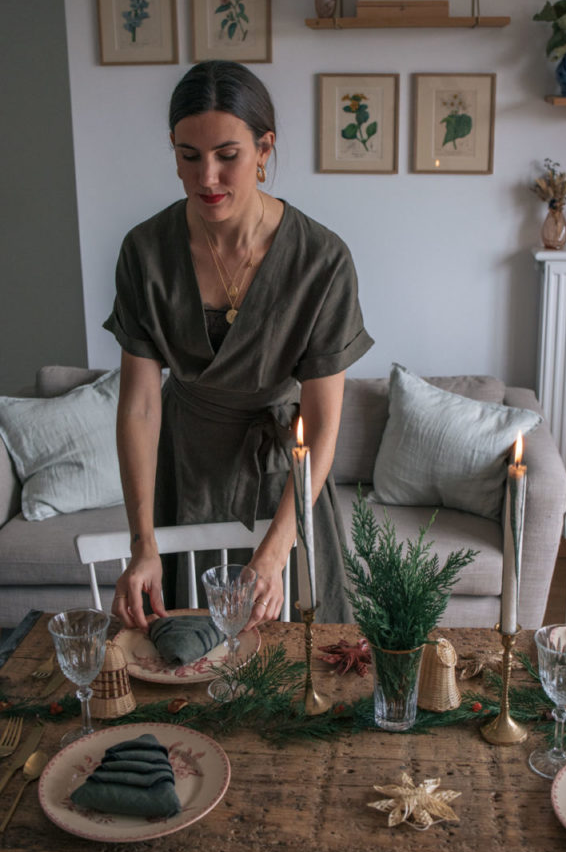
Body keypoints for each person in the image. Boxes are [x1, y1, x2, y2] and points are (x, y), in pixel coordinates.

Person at [104, 60, 373, 632]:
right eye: (189, 155)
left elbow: (323, 426)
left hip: (285, 486)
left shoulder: (322, 261)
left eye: (228, 155)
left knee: (297, 668)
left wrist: (276, 552)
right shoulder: (143, 252)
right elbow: (141, 406)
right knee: (185, 662)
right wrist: (143, 543)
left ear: (263, 149)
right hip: (185, 472)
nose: (207, 178)